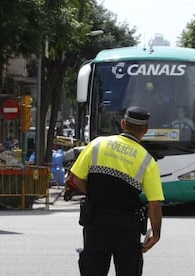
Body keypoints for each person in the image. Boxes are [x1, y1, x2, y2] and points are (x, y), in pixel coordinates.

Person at [69, 106, 164, 276]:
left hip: (96, 222)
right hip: (127, 227)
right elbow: (155, 202)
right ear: (145, 130)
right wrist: (156, 233)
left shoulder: (97, 144)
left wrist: (93, 194)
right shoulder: (147, 160)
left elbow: (75, 178)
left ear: (122, 124)